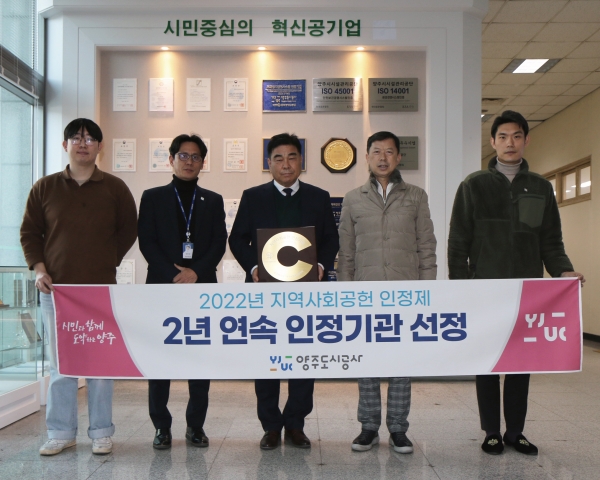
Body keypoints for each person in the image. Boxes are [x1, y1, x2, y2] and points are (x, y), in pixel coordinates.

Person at [448, 110, 585, 456]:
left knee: (522, 362)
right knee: (487, 362)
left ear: (526, 140)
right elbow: (458, 241)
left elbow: (551, 242)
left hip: (527, 291)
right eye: (503, 137)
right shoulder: (473, 185)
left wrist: (563, 272)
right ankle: (492, 431)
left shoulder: (540, 188)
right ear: (493, 142)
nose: (510, 143)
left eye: (517, 136)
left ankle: (515, 431)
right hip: (484, 290)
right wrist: (461, 287)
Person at [20, 118, 137, 456]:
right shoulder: (45, 187)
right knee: (62, 365)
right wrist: (39, 269)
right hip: (56, 292)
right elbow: (30, 233)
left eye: (89, 139)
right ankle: (60, 431)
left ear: (100, 146)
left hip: (100, 291)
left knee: (101, 364)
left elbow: (128, 230)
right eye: (75, 138)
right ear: (65, 145)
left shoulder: (115, 188)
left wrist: (106, 261)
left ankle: (101, 431)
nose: (82, 143)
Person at [228, 133, 339, 450]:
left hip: (307, 293)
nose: (286, 164)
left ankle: (295, 424)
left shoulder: (319, 197)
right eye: (278, 158)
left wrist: (321, 265)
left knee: (303, 358)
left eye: (292, 157)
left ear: (301, 161)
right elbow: (237, 239)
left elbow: (330, 239)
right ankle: (271, 426)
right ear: (269, 163)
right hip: (264, 293)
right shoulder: (253, 197)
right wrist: (253, 267)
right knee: (266, 359)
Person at [337, 131, 437, 454]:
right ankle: (368, 427)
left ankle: (398, 429)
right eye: (376, 152)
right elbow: (346, 252)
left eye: (389, 152)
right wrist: (346, 294)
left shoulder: (416, 196)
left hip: (404, 293)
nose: (383, 158)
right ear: (367, 157)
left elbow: (426, 246)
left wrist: (427, 292)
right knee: (366, 361)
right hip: (365, 293)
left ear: (398, 157)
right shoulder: (353, 199)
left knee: (401, 362)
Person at [138, 134, 227, 450]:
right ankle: (161, 427)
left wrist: (195, 272)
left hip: (201, 289)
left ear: (203, 162)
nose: (189, 161)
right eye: (183, 156)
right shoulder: (152, 197)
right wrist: (174, 274)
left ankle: (195, 426)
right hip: (163, 288)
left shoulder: (212, 200)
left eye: (195, 157)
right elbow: (147, 241)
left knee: (199, 359)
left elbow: (219, 242)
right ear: (171, 160)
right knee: (159, 358)